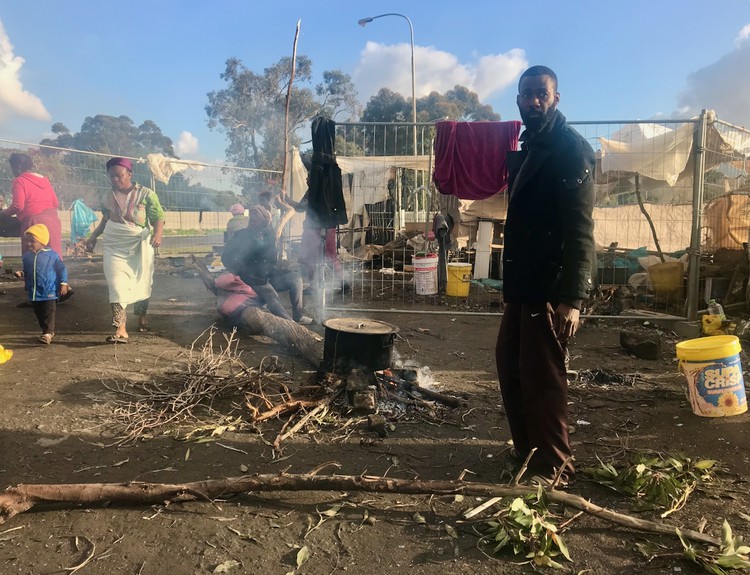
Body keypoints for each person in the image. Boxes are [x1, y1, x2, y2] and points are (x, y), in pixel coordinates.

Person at [495, 66, 595, 486]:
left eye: (541, 94)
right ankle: (528, 453)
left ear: (556, 98)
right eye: (526, 94)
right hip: (523, 283)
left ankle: (555, 467)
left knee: (543, 377)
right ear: (517, 99)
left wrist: (572, 299)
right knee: (510, 364)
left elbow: (581, 229)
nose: (533, 101)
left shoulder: (570, 149)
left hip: (548, 285)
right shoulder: (532, 143)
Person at [85, 157, 165, 342]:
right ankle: (120, 328)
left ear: (129, 174)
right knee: (116, 284)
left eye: (119, 175)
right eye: (111, 176)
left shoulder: (146, 194)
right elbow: (106, 219)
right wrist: (93, 236)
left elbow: (158, 217)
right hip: (114, 244)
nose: (115, 179)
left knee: (142, 281)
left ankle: (141, 317)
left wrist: (158, 234)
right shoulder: (106, 196)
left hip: (139, 243)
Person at [222, 205, 312, 325]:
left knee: (295, 278)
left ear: (264, 222)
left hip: (268, 274)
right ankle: (291, 325)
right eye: (251, 220)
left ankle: (298, 315)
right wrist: (239, 272)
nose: (251, 223)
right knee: (272, 296)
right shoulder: (241, 236)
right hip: (251, 278)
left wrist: (279, 267)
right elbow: (225, 258)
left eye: (255, 221)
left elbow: (271, 258)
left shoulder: (268, 236)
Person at [1, 153, 63, 257]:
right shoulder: (45, 180)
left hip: (34, 223)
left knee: (32, 258)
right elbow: (55, 203)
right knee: (54, 257)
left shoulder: (20, 181)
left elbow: (17, 205)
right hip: (53, 222)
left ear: (18, 167)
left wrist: (3, 214)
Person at [20, 224, 70, 345]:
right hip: (34, 291)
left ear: (42, 241)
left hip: (49, 290)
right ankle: (47, 330)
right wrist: (21, 273)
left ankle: (47, 333)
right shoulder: (27, 257)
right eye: (27, 241)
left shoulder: (52, 255)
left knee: (48, 311)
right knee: (39, 313)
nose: (28, 244)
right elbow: (26, 271)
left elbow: (62, 269)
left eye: (32, 241)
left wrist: (64, 283)